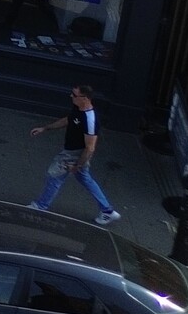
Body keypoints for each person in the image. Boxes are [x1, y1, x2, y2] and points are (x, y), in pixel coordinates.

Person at [29, 84, 120, 225]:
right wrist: (45, 128)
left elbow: (90, 148)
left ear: (84, 98)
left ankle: (40, 206)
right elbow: (68, 119)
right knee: (85, 178)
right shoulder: (78, 108)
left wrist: (77, 165)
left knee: (54, 176)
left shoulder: (90, 119)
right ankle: (107, 210)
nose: (71, 96)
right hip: (75, 153)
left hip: (74, 154)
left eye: (74, 94)